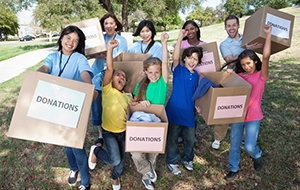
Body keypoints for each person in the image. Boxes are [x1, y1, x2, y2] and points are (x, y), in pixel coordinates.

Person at [37, 25, 97, 190]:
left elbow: (85, 73)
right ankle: (73, 168)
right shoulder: (52, 56)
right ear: (61, 38)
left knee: (76, 144)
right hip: (55, 106)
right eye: (69, 37)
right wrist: (36, 74)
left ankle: (85, 179)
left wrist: (88, 87)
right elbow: (45, 68)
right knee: (65, 141)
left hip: (74, 107)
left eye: (76, 40)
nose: (71, 42)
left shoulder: (79, 58)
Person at [224, 25, 272, 181]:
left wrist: (268, 35)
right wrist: (229, 75)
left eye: (249, 63)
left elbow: (266, 57)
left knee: (250, 146)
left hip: (253, 116)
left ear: (255, 62)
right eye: (244, 64)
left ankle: (257, 155)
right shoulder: (239, 75)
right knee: (234, 144)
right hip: (237, 115)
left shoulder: (260, 75)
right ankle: (233, 168)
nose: (247, 67)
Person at [212, 15, 263, 150]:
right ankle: (218, 138)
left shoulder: (247, 39)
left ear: (238, 25)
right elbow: (230, 61)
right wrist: (245, 47)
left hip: (248, 79)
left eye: (234, 25)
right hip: (231, 80)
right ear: (225, 28)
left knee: (246, 108)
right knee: (225, 110)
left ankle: (245, 138)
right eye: (228, 26)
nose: (231, 28)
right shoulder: (224, 44)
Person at [88, 39, 133, 190]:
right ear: (111, 79)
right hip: (109, 132)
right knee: (115, 160)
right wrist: (110, 49)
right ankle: (97, 151)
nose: (121, 77)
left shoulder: (127, 97)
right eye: (118, 75)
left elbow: (132, 111)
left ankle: (115, 177)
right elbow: (109, 69)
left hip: (123, 133)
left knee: (120, 163)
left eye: (124, 77)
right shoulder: (107, 90)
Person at [130, 32, 169, 190]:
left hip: (156, 122)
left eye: (157, 72)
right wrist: (140, 101)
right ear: (145, 72)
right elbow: (133, 103)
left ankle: (147, 176)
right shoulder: (140, 85)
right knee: (136, 153)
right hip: (140, 122)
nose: (154, 75)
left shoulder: (162, 83)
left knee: (152, 152)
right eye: (150, 72)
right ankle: (146, 170)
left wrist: (164, 43)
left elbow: (165, 63)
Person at [165, 29, 203, 175]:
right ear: (185, 58)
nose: (192, 61)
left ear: (198, 62)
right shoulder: (179, 70)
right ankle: (172, 160)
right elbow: (175, 58)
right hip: (174, 111)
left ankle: (188, 159)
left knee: (190, 138)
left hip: (189, 112)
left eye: (196, 59)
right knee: (172, 138)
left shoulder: (198, 76)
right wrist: (180, 37)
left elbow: (199, 94)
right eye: (190, 58)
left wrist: (199, 107)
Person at [90, 12, 128, 147]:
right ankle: (100, 135)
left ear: (116, 24)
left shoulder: (121, 41)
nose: (109, 25)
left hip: (111, 79)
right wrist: (97, 55)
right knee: (97, 107)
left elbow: (119, 59)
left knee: (110, 107)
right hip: (97, 77)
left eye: (111, 23)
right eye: (106, 23)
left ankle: (112, 132)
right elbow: (88, 53)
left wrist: (106, 55)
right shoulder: (99, 39)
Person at [178, 20, 206, 144]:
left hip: (198, 80)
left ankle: (192, 134)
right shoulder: (182, 44)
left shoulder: (205, 45)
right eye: (187, 29)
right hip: (184, 80)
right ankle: (180, 134)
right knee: (181, 106)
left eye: (192, 29)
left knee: (195, 106)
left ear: (197, 29)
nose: (190, 32)